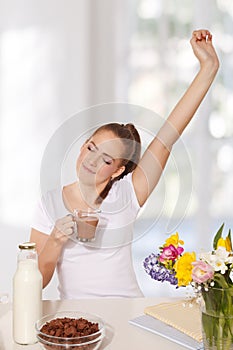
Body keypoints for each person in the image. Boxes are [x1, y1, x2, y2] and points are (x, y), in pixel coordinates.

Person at [30, 29, 219, 299]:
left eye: (106, 159)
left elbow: (167, 138)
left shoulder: (128, 194)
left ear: (118, 170)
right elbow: (36, 282)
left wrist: (208, 68)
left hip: (126, 310)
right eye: (91, 147)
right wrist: (55, 240)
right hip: (77, 319)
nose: (91, 160)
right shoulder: (48, 204)